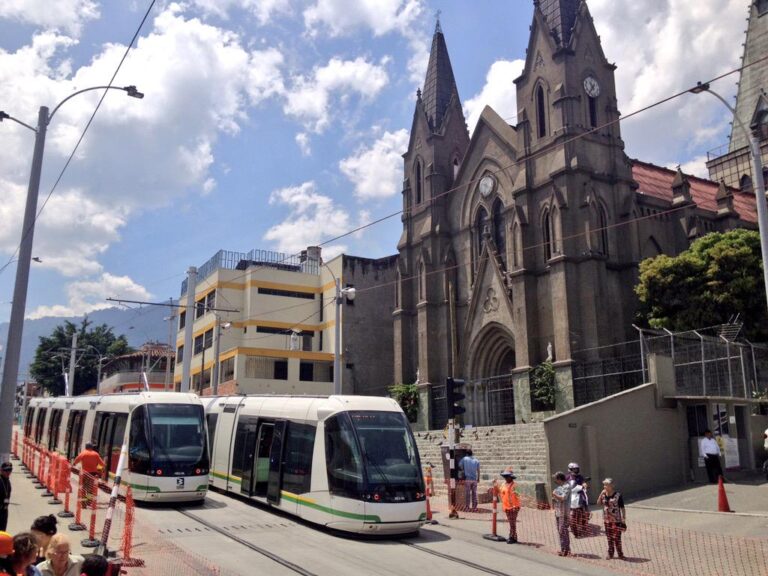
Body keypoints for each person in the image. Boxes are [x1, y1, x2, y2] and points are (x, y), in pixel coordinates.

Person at [597, 478, 626, 560]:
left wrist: (623, 518)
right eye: (604, 485)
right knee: (609, 538)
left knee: (617, 538)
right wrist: (600, 494)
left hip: (616, 520)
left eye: (606, 485)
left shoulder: (618, 495)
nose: (604, 486)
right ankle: (610, 554)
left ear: (612, 486)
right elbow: (598, 503)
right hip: (607, 520)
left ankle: (620, 554)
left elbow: (622, 508)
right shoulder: (603, 494)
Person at [498, 468, 521, 544]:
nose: (506, 478)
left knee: (512, 523)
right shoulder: (503, 484)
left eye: (507, 476)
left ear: (511, 477)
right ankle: (513, 536)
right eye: (505, 476)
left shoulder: (515, 485)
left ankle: (512, 537)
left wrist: (516, 493)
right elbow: (500, 492)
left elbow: (518, 495)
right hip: (506, 507)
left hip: (514, 507)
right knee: (511, 522)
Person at [551, 471, 572, 557]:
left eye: (555, 479)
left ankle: (566, 550)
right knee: (560, 531)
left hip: (564, 513)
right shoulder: (559, 487)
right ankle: (563, 549)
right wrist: (554, 498)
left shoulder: (567, 487)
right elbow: (556, 499)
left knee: (563, 530)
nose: (554, 481)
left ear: (559, 479)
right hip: (558, 512)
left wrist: (554, 495)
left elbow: (563, 498)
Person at [566, 462, 589, 538]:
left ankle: (586, 515)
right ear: (570, 469)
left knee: (584, 501)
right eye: (574, 469)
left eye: (577, 469)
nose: (576, 470)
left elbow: (583, 482)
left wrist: (584, 484)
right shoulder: (567, 477)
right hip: (570, 495)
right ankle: (565, 520)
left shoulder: (580, 476)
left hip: (579, 494)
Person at [0, 463, 11, 532]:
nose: (8, 472)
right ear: (1, 470)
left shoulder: (7, 480)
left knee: (3, 531)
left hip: (4, 510)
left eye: (9, 470)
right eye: (6, 470)